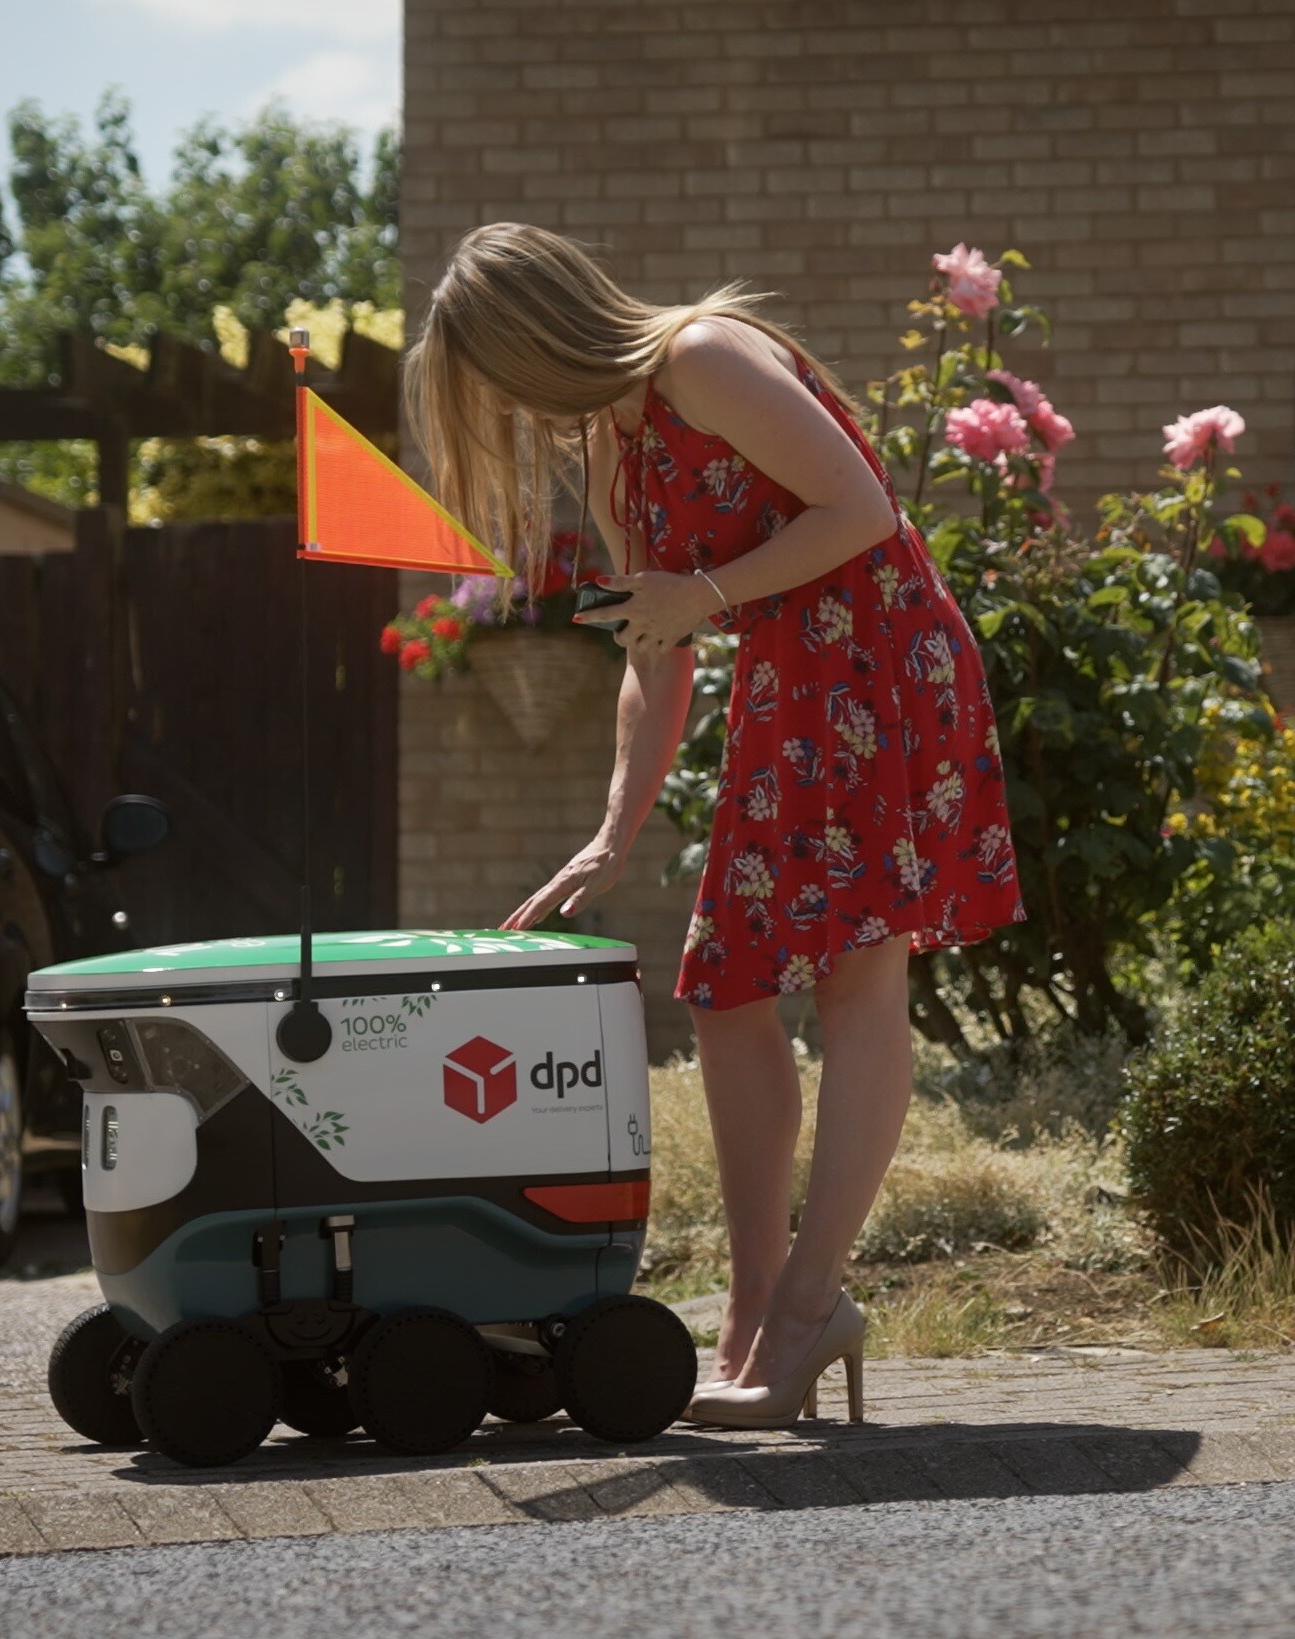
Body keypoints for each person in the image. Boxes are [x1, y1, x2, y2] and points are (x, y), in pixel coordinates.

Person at [405, 225, 1025, 1429]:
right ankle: (754, 1317)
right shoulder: (605, 436)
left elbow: (860, 507)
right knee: (726, 988)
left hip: (878, 662)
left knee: (856, 975)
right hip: (787, 687)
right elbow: (660, 644)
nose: (509, 414)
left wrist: (707, 591)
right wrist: (612, 827)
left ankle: (804, 1310)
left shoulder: (702, 357)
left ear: (535, 338)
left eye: (497, 384)